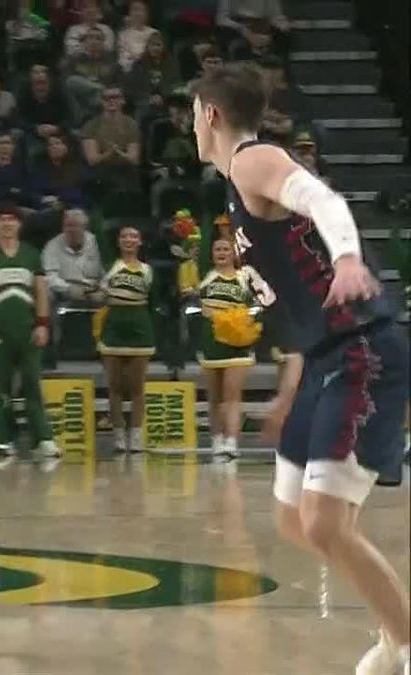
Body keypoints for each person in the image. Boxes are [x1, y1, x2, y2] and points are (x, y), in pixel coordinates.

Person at [193, 63, 409, 675]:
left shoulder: (250, 160)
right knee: (293, 518)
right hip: (322, 359)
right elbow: (294, 298)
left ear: (209, 114)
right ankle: (396, 634)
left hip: (361, 348)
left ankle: (407, 644)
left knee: (324, 522)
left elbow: (323, 198)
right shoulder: (236, 185)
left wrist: (346, 257)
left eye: (192, 116)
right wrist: (291, 389)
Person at [0, 205, 60, 457]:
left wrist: (43, 324)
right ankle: (2, 438)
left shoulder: (31, 254)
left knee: (32, 383)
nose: (7, 224)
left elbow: (41, 291)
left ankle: (42, 438)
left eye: (12, 220)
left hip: (29, 331)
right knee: (1, 387)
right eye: (2, 219)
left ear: (20, 225)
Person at [196, 236, 259, 461]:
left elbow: (260, 305)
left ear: (234, 254)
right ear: (211, 254)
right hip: (211, 342)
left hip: (237, 344)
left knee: (232, 396)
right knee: (214, 397)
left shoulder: (245, 277)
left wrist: (242, 321)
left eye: (226, 249)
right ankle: (216, 441)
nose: (221, 252)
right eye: (217, 249)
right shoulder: (206, 276)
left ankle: (231, 442)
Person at [98, 225, 154, 453]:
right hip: (113, 324)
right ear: (118, 241)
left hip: (139, 324)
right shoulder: (110, 266)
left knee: (137, 386)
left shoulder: (148, 270)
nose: (129, 240)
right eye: (124, 236)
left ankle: (137, 436)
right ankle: (119, 435)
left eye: (134, 236)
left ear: (140, 241)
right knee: (115, 386)